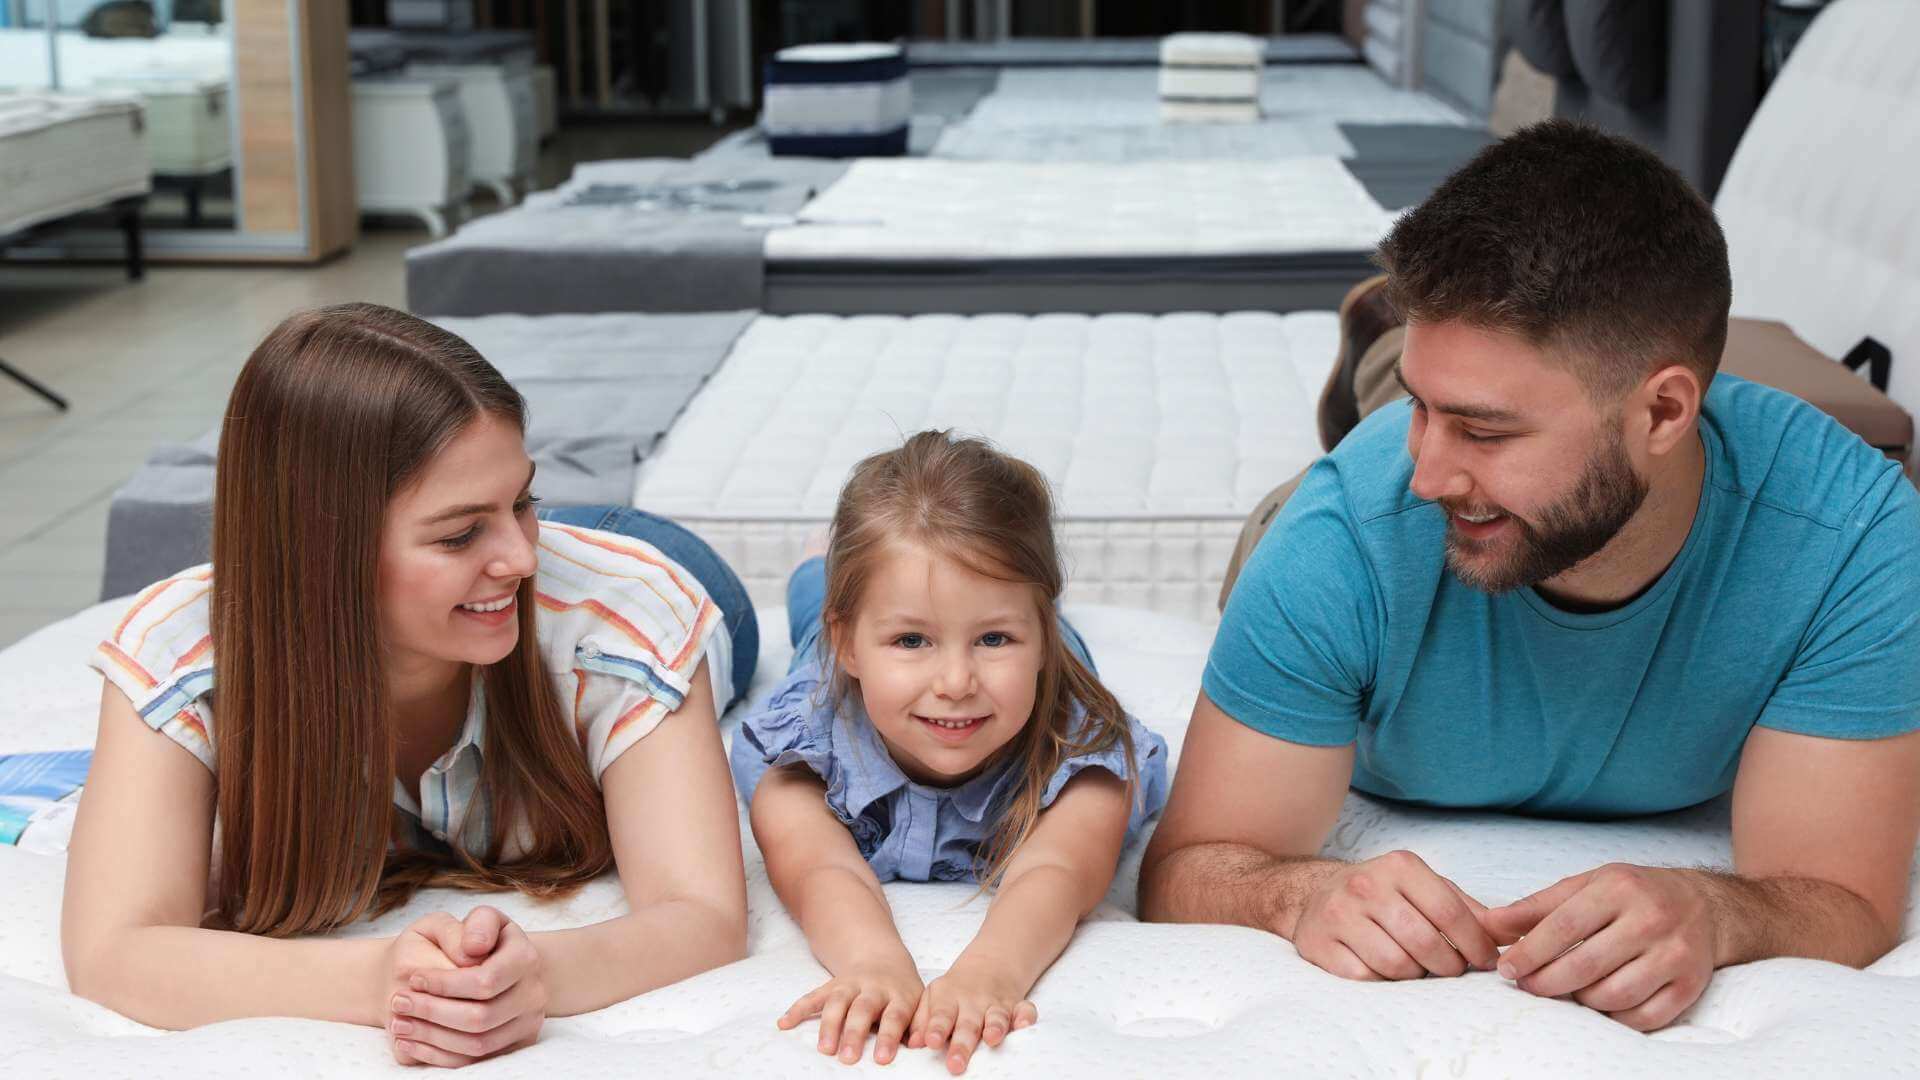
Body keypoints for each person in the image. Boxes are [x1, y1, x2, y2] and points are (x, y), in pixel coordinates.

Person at [1139, 120, 1920, 1032]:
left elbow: (1843, 897)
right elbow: (1190, 865)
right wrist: (1294, 896)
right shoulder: (1345, 529)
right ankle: (1387, 358)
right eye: (1430, 414)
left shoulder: (1854, 539)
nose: (1426, 470)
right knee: (1359, 485)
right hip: (1338, 532)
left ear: (1665, 410)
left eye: (1484, 428)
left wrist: (1720, 911)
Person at [63, 303, 758, 1068]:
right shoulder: (181, 655)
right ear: (323, 549)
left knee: (807, 606)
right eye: (459, 533)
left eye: (523, 499)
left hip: (646, 554)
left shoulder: (624, 613)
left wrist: (535, 978)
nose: (519, 557)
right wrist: (383, 979)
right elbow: (114, 951)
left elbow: (705, 914)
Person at [729, 431, 1170, 1075]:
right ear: (851, 647)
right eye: (912, 641)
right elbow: (818, 866)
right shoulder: (803, 750)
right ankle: (816, 572)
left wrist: (991, 971)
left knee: (992, 612)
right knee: (811, 606)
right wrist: (872, 962)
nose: (956, 683)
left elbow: (1059, 871)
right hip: (826, 660)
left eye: (994, 638)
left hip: (1047, 662)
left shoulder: (1082, 754)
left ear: (1036, 638)